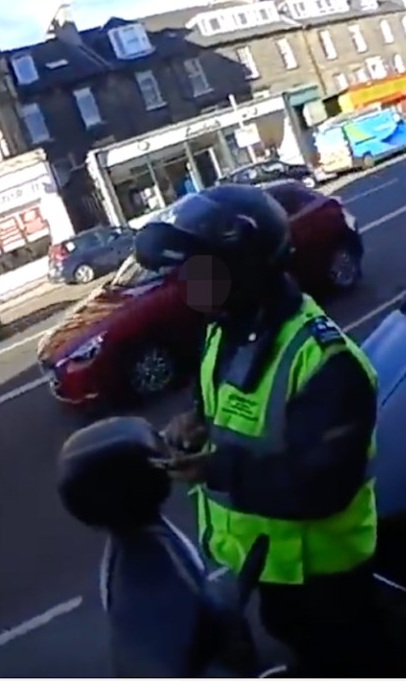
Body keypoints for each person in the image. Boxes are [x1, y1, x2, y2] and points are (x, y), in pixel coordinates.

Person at [134, 184, 381, 676]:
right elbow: (221, 400)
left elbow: (323, 487)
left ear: (247, 270)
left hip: (328, 582)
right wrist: (196, 421)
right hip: (270, 570)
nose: (189, 285)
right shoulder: (224, 328)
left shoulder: (325, 362)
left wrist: (216, 468)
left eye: (202, 272)